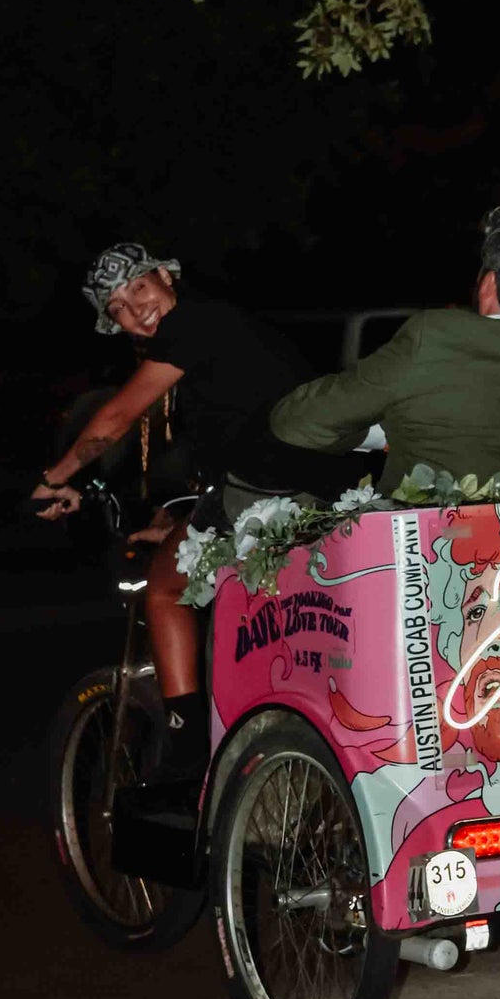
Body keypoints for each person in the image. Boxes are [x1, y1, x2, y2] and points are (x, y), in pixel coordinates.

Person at [31, 242, 314, 784]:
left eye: (139, 287)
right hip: (300, 483)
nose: (135, 309)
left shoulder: (193, 323)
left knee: (165, 585)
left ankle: (186, 750)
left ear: (165, 277)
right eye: (116, 307)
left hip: (272, 491)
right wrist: (173, 520)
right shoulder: (221, 331)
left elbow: (114, 418)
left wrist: (54, 480)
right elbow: (230, 441)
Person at [268, 204, 500, 482]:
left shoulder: (434, 337)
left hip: (420, 573)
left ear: (489, 284)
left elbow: (296, 422)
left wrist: (384, 432)